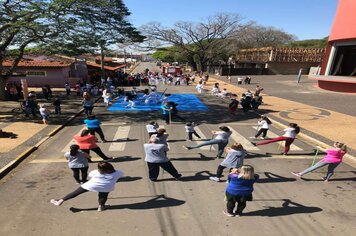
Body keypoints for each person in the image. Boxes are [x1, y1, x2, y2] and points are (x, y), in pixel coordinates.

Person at [50, 162, 124, 211]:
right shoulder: (119, 172)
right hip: (107, 186)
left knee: (76, 193)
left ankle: (60, 201)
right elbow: (120, 176)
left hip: (91, 185)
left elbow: (90, 175)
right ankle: (101, 206)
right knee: (103, 196)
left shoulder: (95, 172)